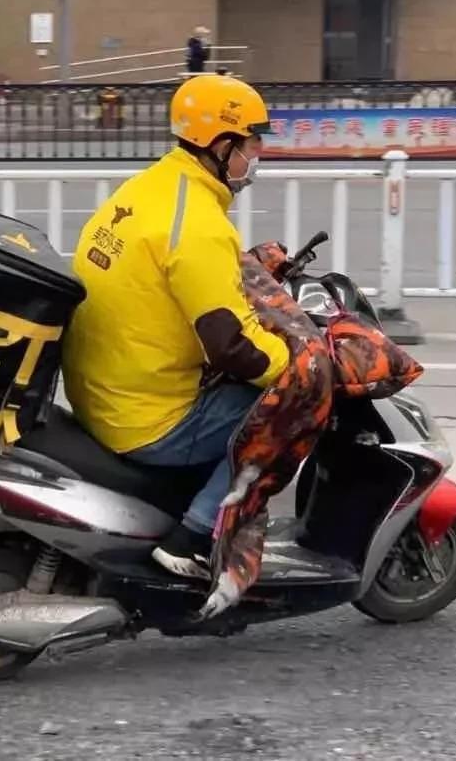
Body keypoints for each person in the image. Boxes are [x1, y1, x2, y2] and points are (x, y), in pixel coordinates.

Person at [62, 75, 290, 579]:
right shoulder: (200, 226)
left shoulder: (150, 189)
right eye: (253, 143)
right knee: (288, 404)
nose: (256, 156)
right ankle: (195, 537)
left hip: (101, 391)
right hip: (145, 418)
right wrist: (296, 366)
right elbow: (233, 348)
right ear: (221, 143)